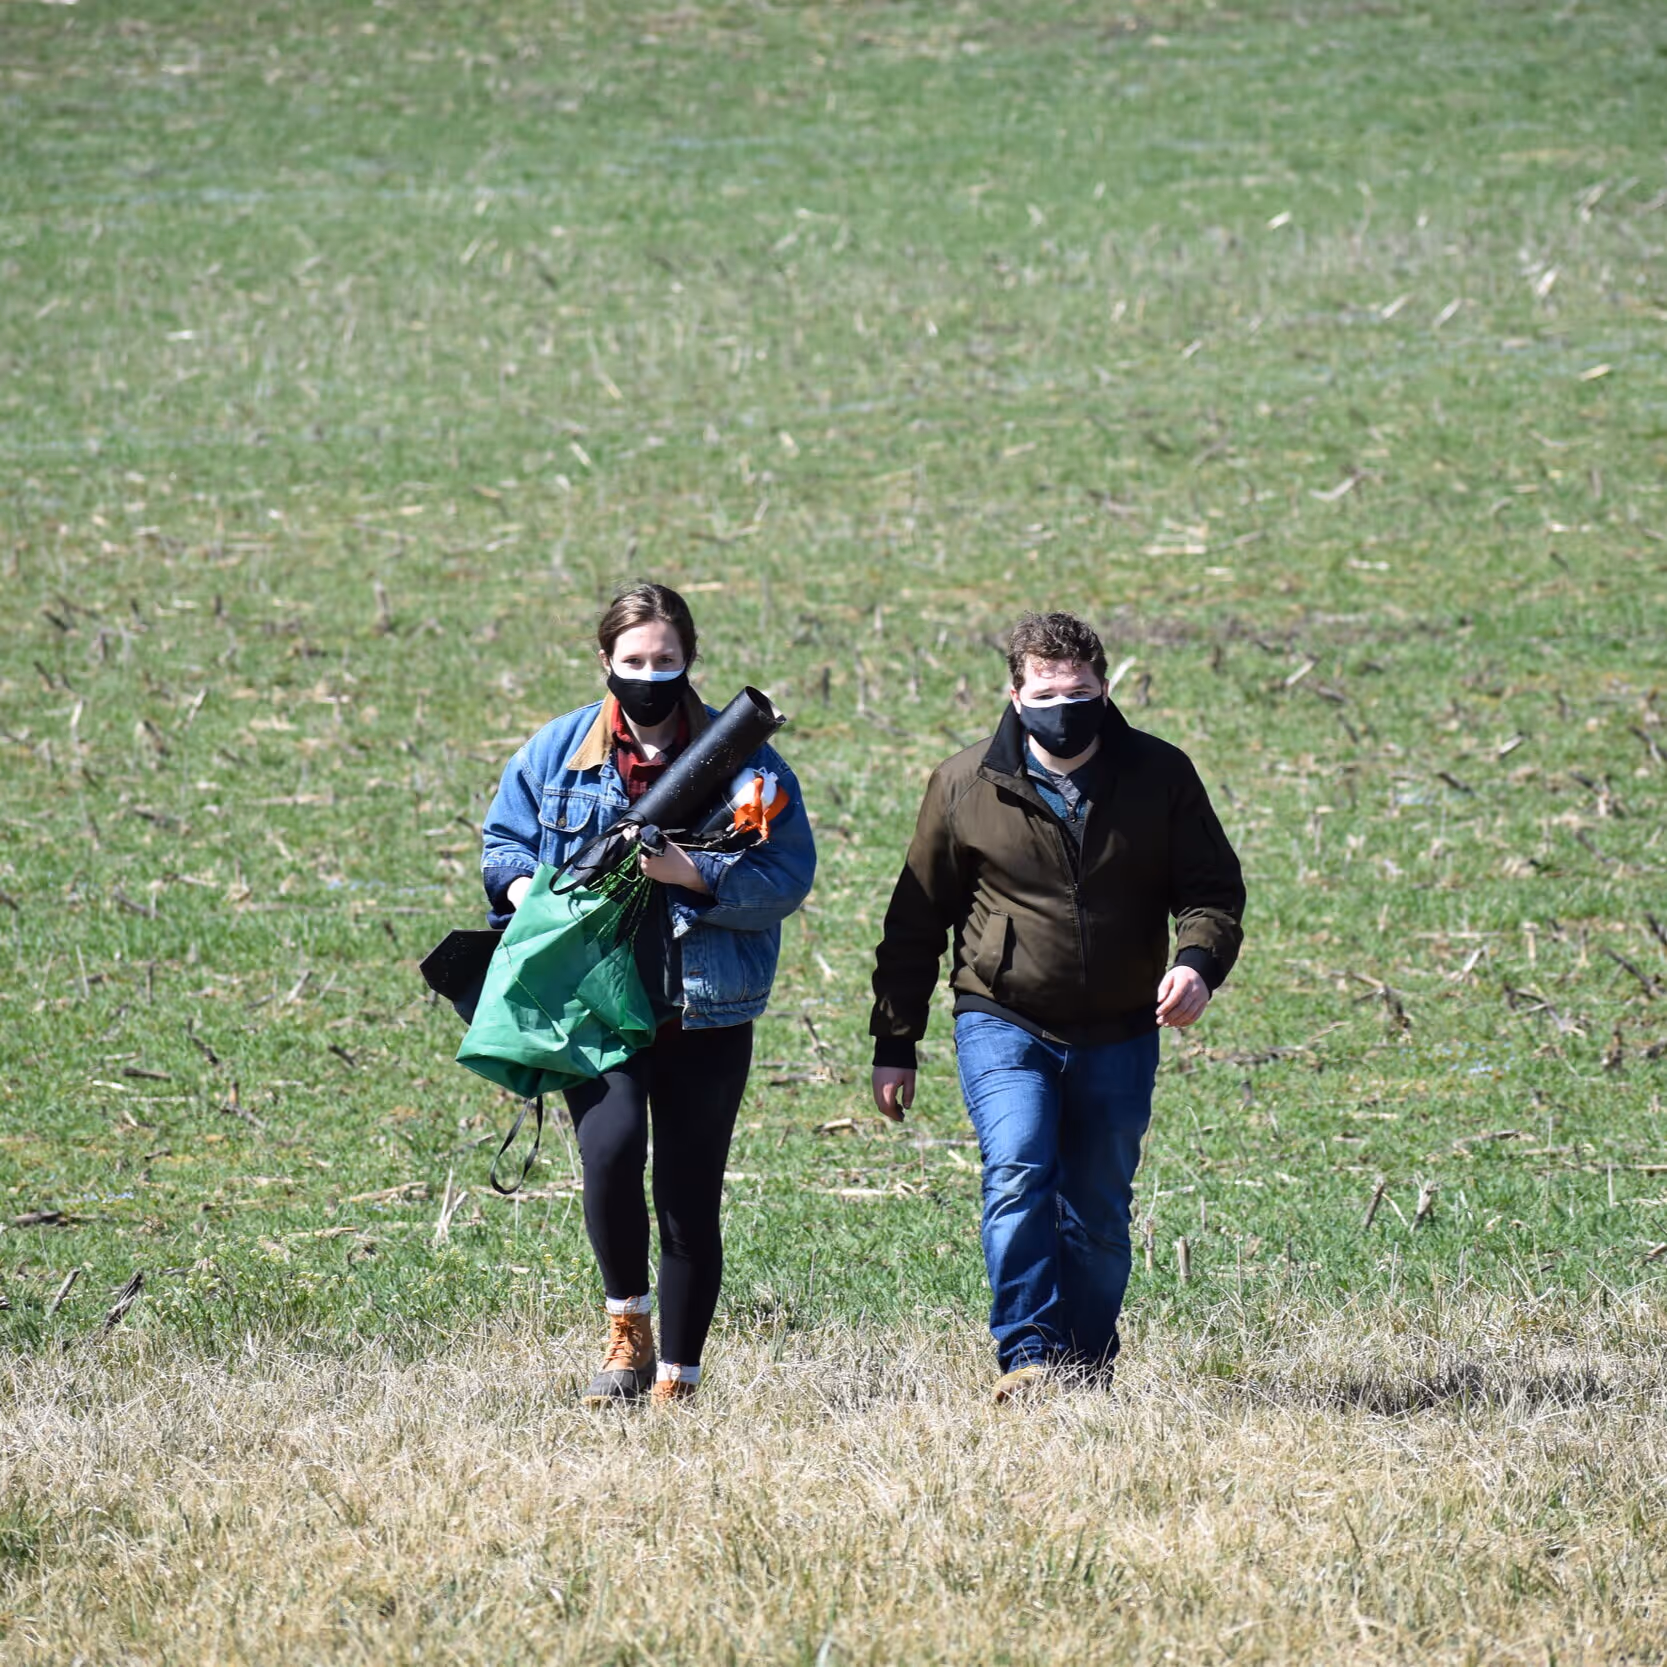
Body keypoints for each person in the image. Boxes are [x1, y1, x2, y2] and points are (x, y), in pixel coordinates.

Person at [868, 611, 1245, 1402]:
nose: (1062, 708)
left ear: (1104, 688)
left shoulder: (1159, 774)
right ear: (1014, 695)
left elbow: (1211, 890)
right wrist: (894, 1040)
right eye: (1044, 695)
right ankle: (1027, 1355)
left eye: (1077, 693)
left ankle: (1085, 1367)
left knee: (1098, 1210)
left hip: (1121, 1024)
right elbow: (915, 920)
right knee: (1017, 1170)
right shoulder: (963, 784)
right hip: (1002, 1015)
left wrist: (1197, 964)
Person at [481, 582, 815, 1406]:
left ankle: (678, 1377)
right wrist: (537, 896)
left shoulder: (748, 762)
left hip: (706, 1007)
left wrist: (690, 872)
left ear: (690, 658)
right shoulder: (556, 751)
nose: (649, 673)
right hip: (594, 1003)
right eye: (632, 659)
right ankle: (626, 1332)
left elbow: (786, 876)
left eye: (665, 659)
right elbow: (503, 844)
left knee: (688, 1195)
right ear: (604, 660)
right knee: (609, 1149)